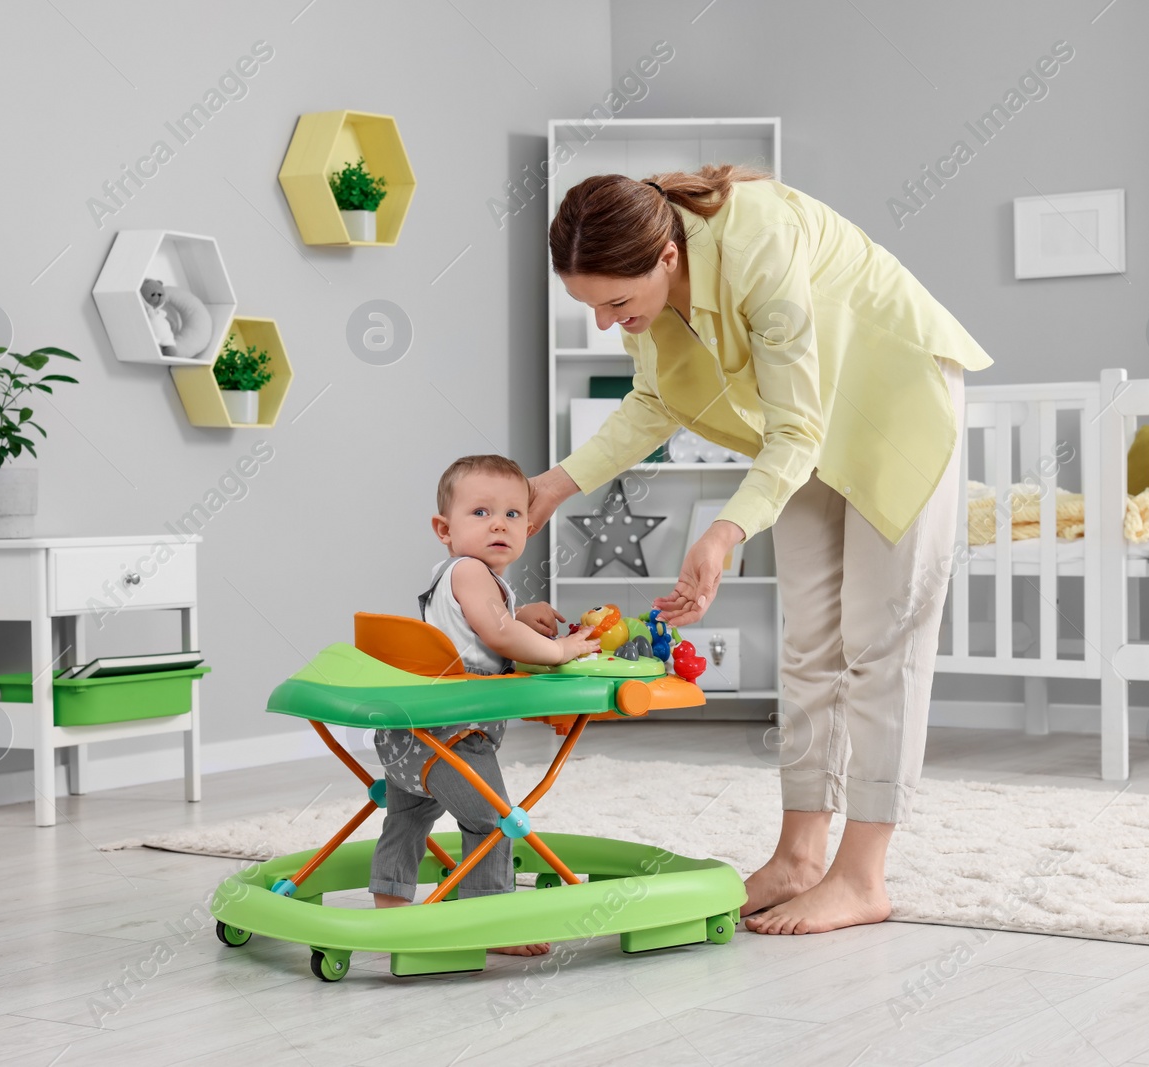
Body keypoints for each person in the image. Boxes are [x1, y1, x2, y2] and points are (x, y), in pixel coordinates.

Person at [526, 165, 992, 935]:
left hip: (891, 399)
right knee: (809, 640)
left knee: (882, 642)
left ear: (666, 259)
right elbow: (653, 402)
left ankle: (862, 875)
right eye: (590, 307)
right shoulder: (654, 294)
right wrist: (556, 482)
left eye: (616, 302)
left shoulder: (756, 240)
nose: (607, 323)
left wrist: (726, 528)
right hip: (800, 423)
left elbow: (797, 430)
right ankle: (800, 854)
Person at [368, 454, 600, 955]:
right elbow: (498, 633)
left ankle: (390, 908)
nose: (499, 523)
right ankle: (495, 922)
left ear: (529, 526)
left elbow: (486, 625)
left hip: (410, 738)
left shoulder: (452, 575)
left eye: (513, 515)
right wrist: (562, 650)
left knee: (406, 821)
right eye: (480, 513)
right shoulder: (473, 573)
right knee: (492, 822)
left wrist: (522, 611)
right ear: (443, 528)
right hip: (455, 735)